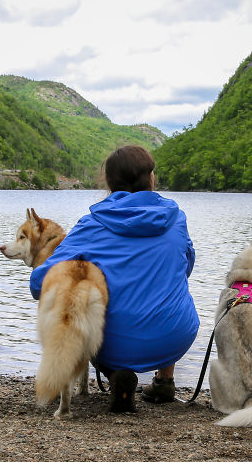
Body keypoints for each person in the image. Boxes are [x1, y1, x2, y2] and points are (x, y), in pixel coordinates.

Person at [29, 145, 199, 412]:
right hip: (176, 336)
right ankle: (165, 381)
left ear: (109, 184)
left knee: (86, 308)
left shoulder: (91, 224)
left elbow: (40, 283)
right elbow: (186, 267)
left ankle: (116, 374)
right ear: (150, 178)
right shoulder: (176, 219)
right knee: (167, 285)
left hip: (115, 344)